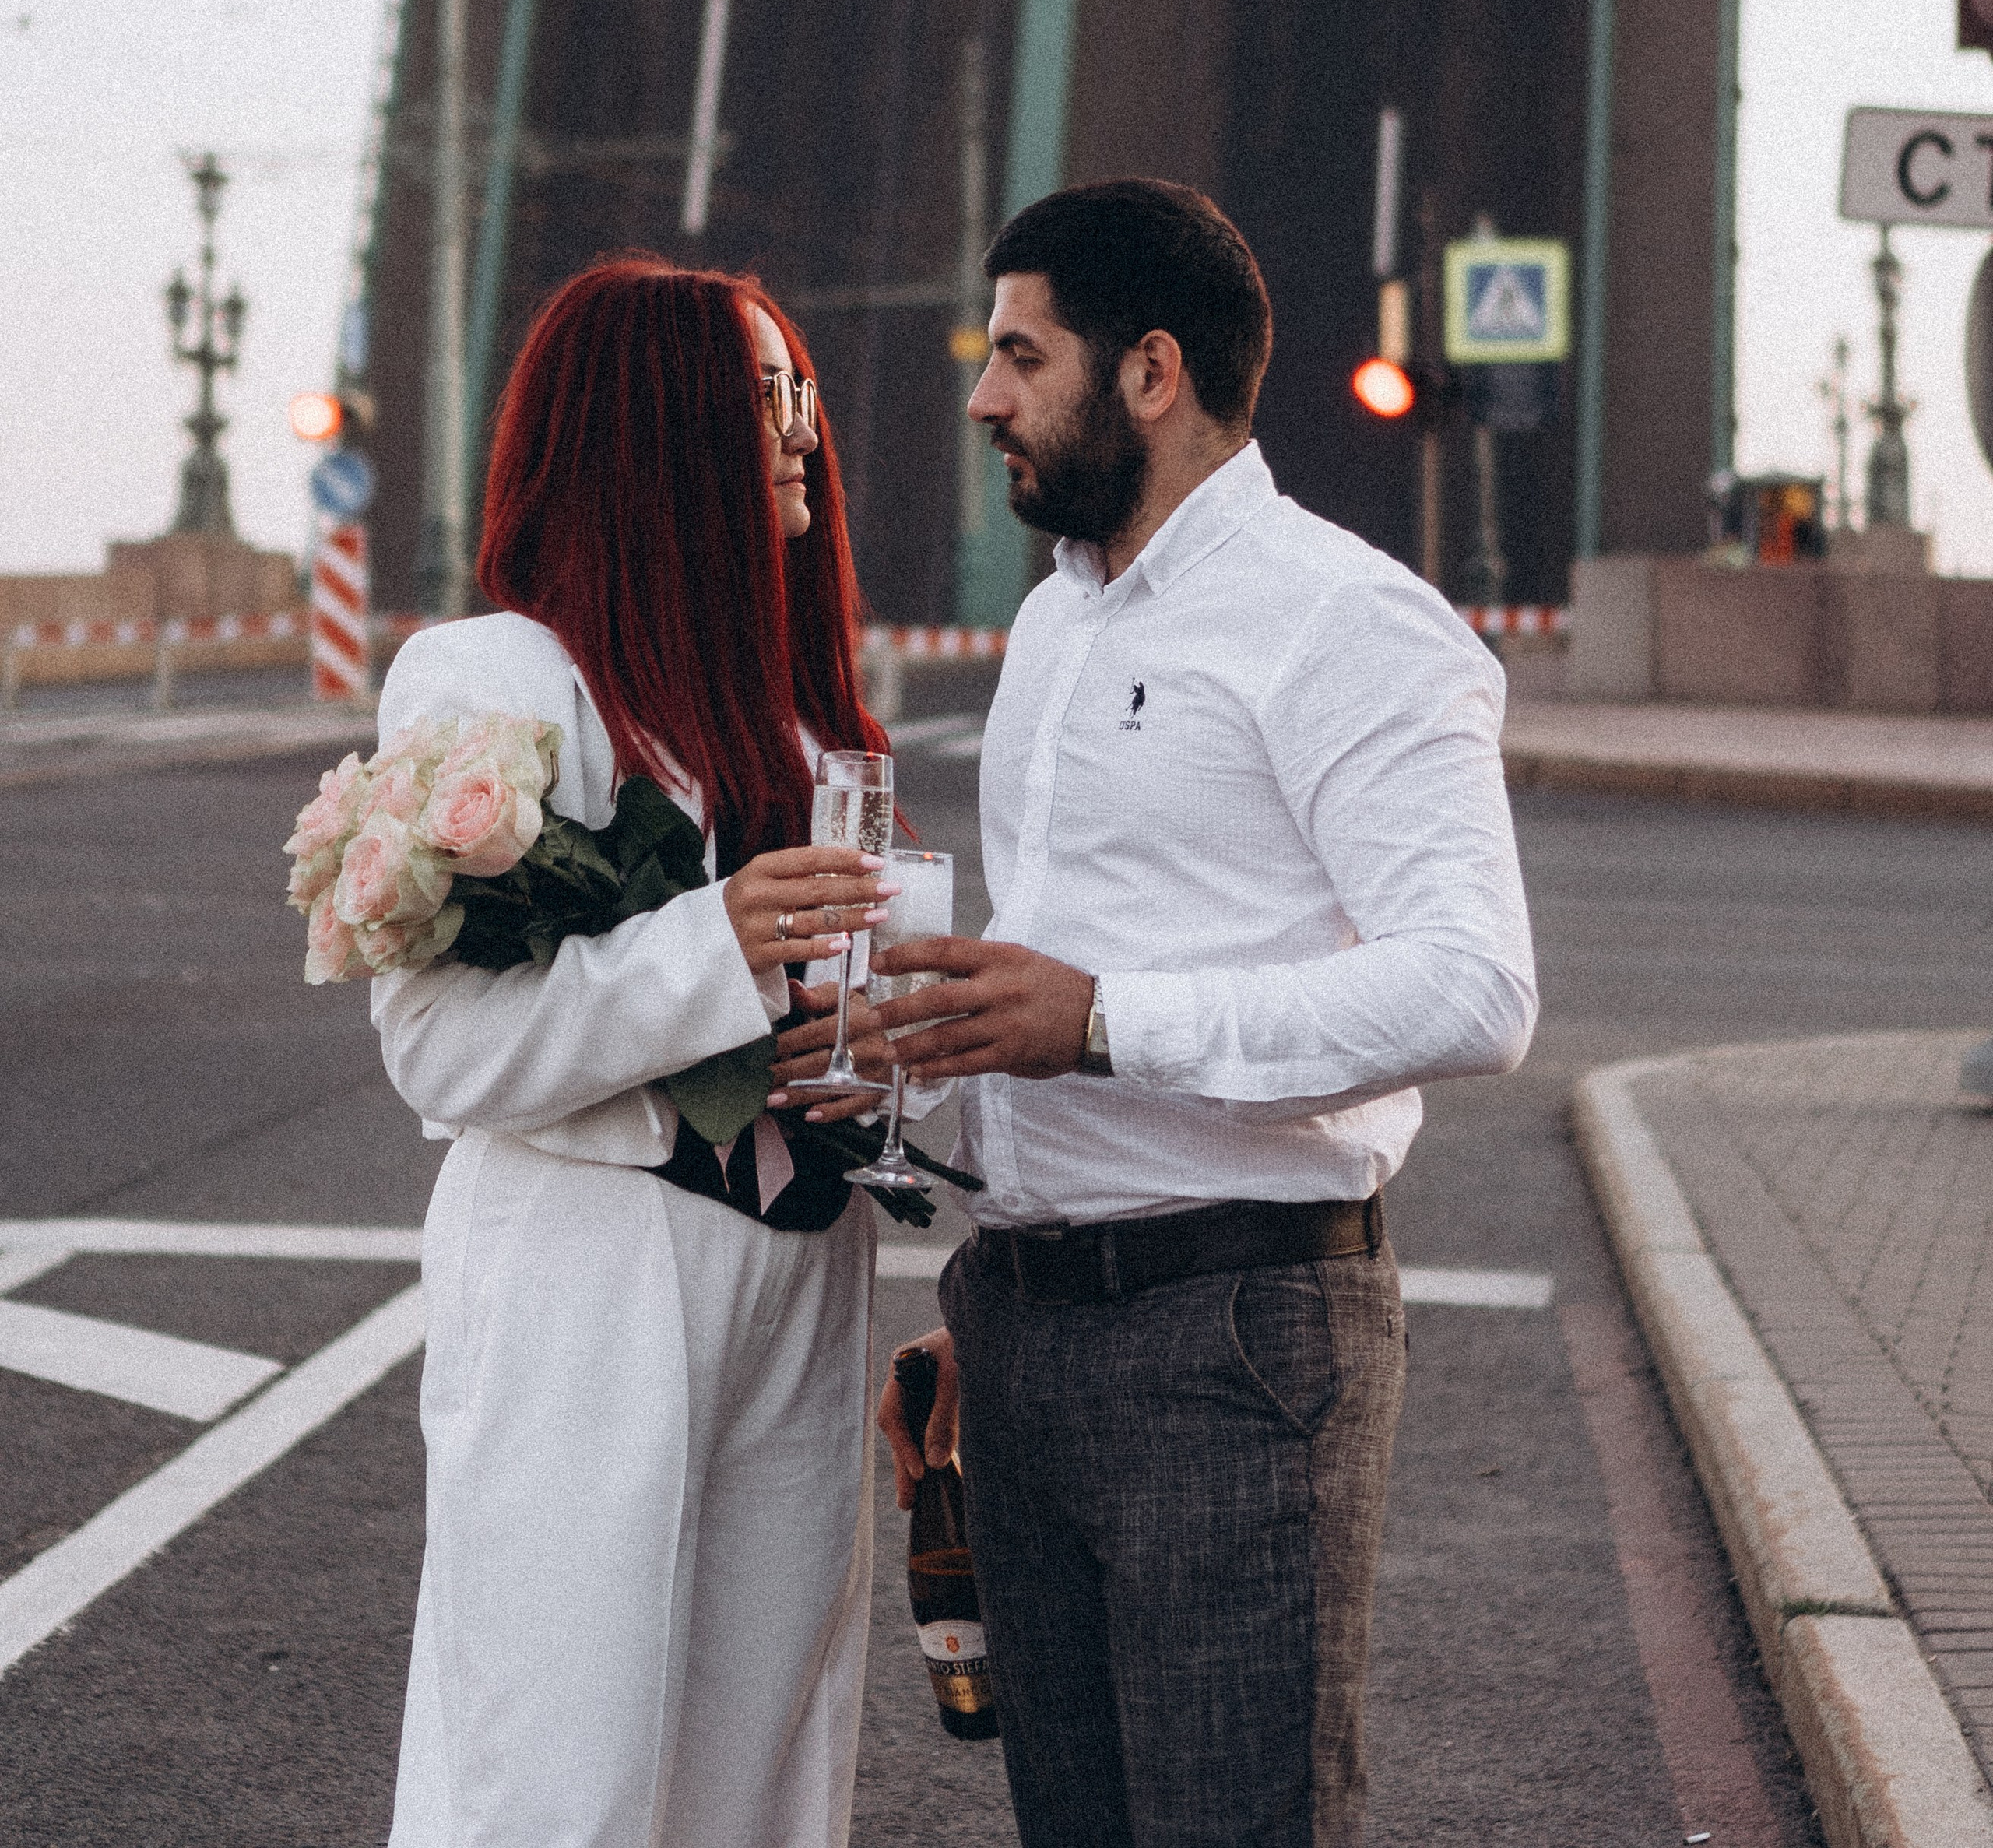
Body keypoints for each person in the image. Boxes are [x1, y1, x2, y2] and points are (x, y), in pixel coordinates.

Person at [877, 178, 1538, 1848]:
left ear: (1149, 370)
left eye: (1019, 355)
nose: (982, 398)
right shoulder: (1050, 623)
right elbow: (1060, 965)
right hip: (1028, 1332)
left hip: (1234, 1342)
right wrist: (1002, 1273)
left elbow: (1473, 984)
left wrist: (1103, 1025)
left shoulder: (1349, 624)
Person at [369, 255, 896, 1848]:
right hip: (590, 1279)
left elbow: (843, 1030)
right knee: (556, 1777)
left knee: (762, 1780)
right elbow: (437, 1051)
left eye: (797, 392)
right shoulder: (498, 685)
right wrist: (713, 952)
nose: (802, 432)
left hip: (800, 1273)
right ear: (652, 433)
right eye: (762, 397)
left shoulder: (803, 730)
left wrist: (885, 1054)